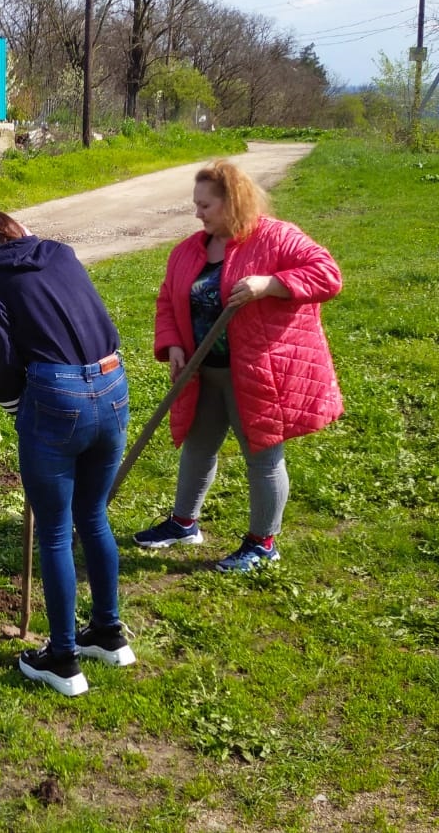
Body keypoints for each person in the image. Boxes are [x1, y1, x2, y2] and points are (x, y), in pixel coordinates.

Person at [0, 209, 135, 697]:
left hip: (56, 398)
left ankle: (64, 660)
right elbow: (98, 318)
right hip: (112, 383)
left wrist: (20, 409)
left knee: (53, 533)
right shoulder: (61, 254)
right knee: (93, 516)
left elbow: (1, 369)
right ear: (19, 230)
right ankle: (109, 636)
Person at [135, 159, 343, 572]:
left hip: (257, 374)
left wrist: (272, 284)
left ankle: (263, 543)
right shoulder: (188, 250)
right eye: (196, 204)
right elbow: (167, 300)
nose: (197, 212)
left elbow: (328, 275)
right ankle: (183, 523)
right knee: (197, 447)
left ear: (233, 203)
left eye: (205, 205)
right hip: (203, 370)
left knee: (262, 456)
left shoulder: (277, 238)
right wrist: (173, 344)